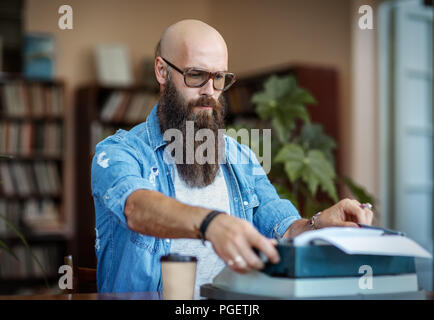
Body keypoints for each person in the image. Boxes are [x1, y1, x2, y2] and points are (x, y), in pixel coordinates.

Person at [91, 19, 373, 296]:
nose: (210, 92)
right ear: (162, 71)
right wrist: (210, 223)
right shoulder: (118, 151)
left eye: (219, 78)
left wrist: (318, 224)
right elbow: (136, 207)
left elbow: (282, 229)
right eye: (196, 75)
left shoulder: (241, 157)